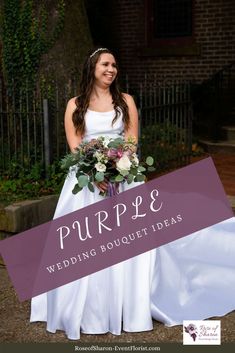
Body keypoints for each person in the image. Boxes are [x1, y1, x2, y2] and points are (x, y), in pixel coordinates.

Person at [30, 47, 235, 340]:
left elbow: (131, 141)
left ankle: (131, 303)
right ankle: (88, 308)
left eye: (114, 65)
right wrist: (92, 172)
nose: (111, 69)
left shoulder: (126, 101)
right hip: (86, 185)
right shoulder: (74, 104)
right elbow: (75, 146)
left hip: (124, 179)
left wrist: (117, 168)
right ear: (92, 68)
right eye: (105, 64)